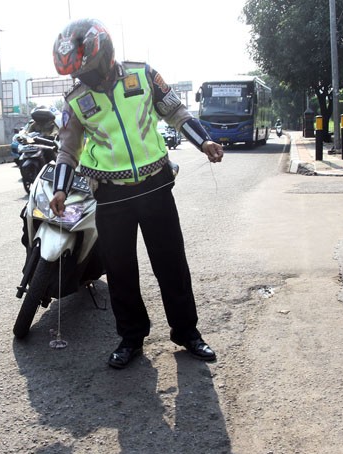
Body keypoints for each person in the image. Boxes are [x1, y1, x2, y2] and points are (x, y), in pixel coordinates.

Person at [49, 18, 225, 369]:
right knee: (120, 270)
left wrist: (203, 140)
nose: (83, 80)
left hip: (155, 185)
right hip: (111, 196)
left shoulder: (143, 76)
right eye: (76, 76)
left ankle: (187, 333)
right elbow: (68, 150)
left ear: (105, 55)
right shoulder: (76, 100)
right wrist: (60, 189)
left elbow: (175, 112)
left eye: (87, 72)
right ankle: (131, 337)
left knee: (171, 263)